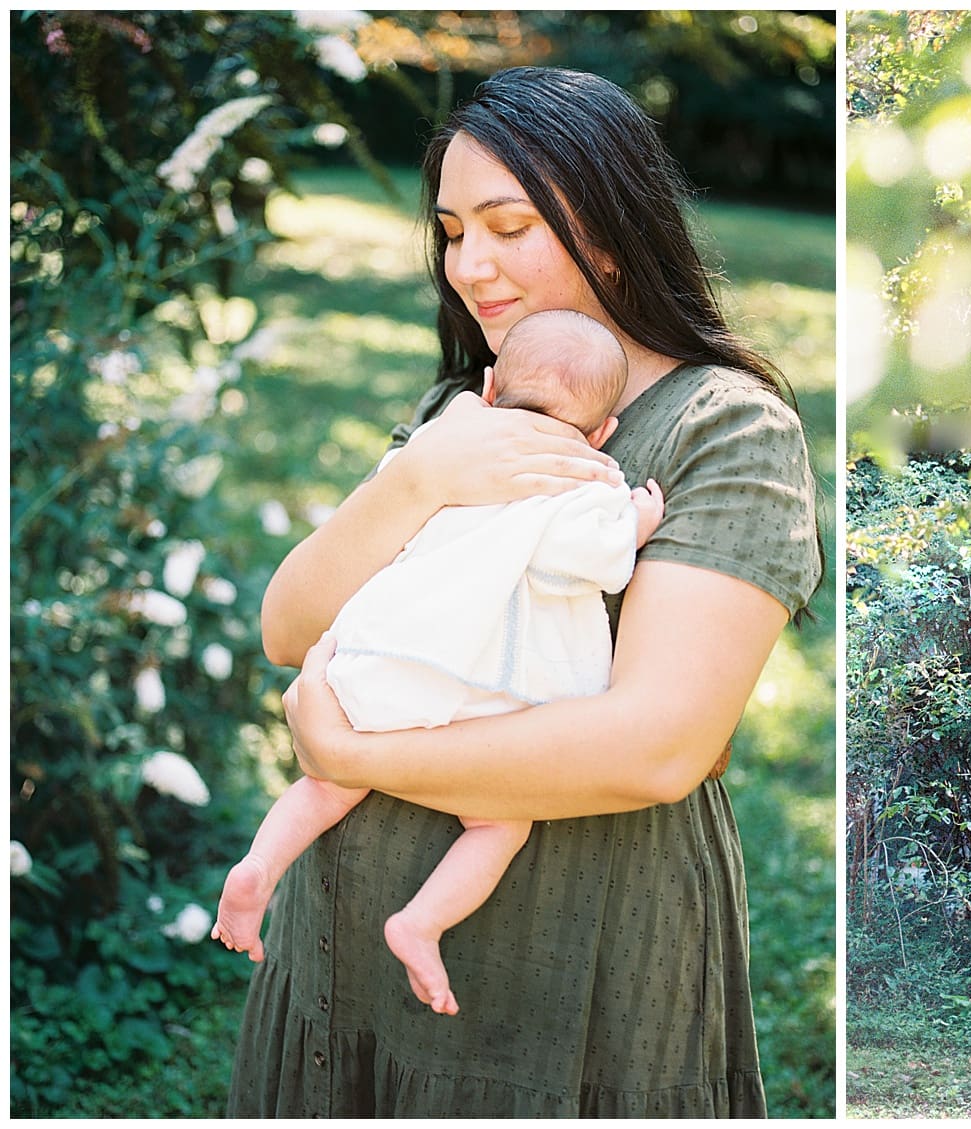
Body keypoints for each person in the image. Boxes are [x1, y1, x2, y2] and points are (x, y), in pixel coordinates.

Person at [226, 66, 823, 1118]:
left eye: (507, 225)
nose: (470, 265)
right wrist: (423, 474)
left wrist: (355, 756)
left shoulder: (719, 427)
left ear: (606, 228)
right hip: (339, 944)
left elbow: (655, 745)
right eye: (453, 230)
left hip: (565, 949)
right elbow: (288, 627)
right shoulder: (465, 407)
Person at [212, 309, 662, 1019]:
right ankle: (421, 921)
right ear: (602, 432)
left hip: (387, 661)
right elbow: (594, 560)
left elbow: (392, 494)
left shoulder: (440, 447)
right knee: (497, 825)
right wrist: (635, 519)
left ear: (488, 390)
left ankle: (259, 866)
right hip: (481, 692)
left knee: (327, 782)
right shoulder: (583, 480)